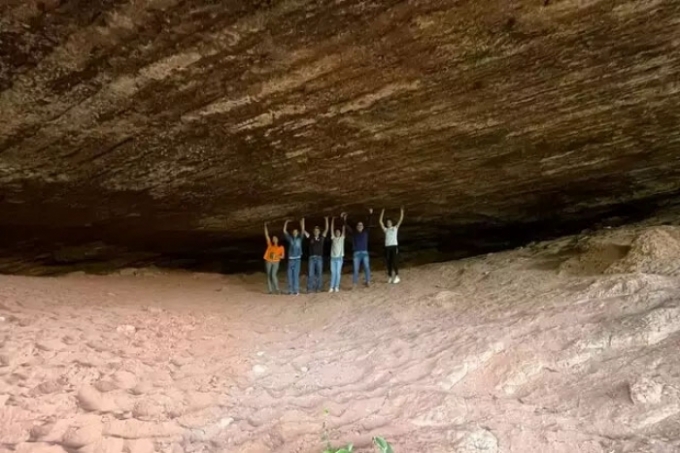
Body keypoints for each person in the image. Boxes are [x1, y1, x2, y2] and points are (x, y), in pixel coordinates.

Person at [342, 209, 373, 288]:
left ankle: (368, 281)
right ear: (356, 227)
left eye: (361, 225)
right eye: (358, 225)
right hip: (356, 253)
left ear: (363, 226)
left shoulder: (366, 232)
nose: (360, 226)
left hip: (364, 252)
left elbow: (369, 224)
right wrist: (344, 220)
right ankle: (355, 284)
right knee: (356, 269)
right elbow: (347, 227)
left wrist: (370, 214)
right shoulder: (354, 233)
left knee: (367, 267)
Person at [303, 216, 329, 293]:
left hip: (319, 258)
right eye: (315, 230)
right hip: (311, 258)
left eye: (317, 230)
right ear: (313, 231)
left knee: (319, 274)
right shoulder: (311, 237)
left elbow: (327, 229)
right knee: (311, 274)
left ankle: (319, 288)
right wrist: (303, 221)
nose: (316, 231)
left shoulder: (322, 238)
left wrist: (326, 219)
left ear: (319, 231)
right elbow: (304, 231)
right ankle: (310, 288)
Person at [379, 207, 405, 283]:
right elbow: (380, 222)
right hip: (387, 247)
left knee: (394, 261)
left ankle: (397, 276)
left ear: (392, 223)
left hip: (394, 247)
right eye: (387, 223)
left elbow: (400, 220)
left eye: (389, 222)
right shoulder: (385, 230)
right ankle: (390, 277)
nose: (388, 223)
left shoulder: (395, 228)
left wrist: (401, 212)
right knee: (388, 262)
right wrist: (382, 211)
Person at [283, 219, 304, 295]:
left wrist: (301, 222)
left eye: (296, 232)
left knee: (296, 275)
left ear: (297, 233)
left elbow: (303, 230)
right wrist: (286, 222)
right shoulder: (290, 239)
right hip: (291, 260)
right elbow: (285, 231)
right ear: (292, 233)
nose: (295, 233)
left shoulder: (300, 239)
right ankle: (290, 291)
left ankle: (296, 291)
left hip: (297, 260)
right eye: (294, 232)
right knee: (289, 276)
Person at [263, 222, 285, 294]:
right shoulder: (270, 245)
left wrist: (277, 256)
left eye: (275, 238)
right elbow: (267, 235)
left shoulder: (281, 247)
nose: (274, 239)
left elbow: (283, 256)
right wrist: (265, 226)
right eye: (273, 238)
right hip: (269, 261)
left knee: (273, 275)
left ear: (277, 240)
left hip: (276, 262)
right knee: (269, 275)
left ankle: (277, 289)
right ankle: (270, 290)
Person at [329, 216, 346, 292]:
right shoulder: (333, 237)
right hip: (333, 258)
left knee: (338, 273)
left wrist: (344, 219)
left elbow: (344, 228)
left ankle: (336, 287)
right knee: (333, 273)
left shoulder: (342, 238)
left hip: (339, 258)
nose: (337, 233)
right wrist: (333, 220)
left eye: (338, 232)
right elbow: (331, 229)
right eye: (336, 232)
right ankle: (331, 287)